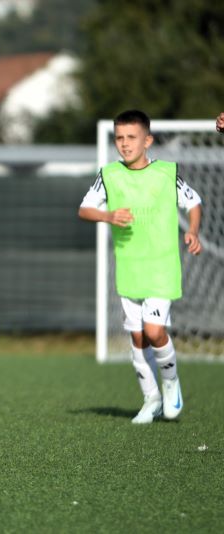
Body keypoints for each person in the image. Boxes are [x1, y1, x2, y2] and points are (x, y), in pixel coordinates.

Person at [78, 109, 202, 424]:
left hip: (162, 267)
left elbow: (194, 202)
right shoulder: (109, 175)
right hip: (129, 269)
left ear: (147, 141)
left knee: (154, 331)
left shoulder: (167, 173)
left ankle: (171, 382)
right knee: (137, 339)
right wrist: (108, 215)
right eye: (119, 138)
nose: (124, 143)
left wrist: (192, 230)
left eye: (131, 137)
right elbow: (85, 209)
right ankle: (151, 399)